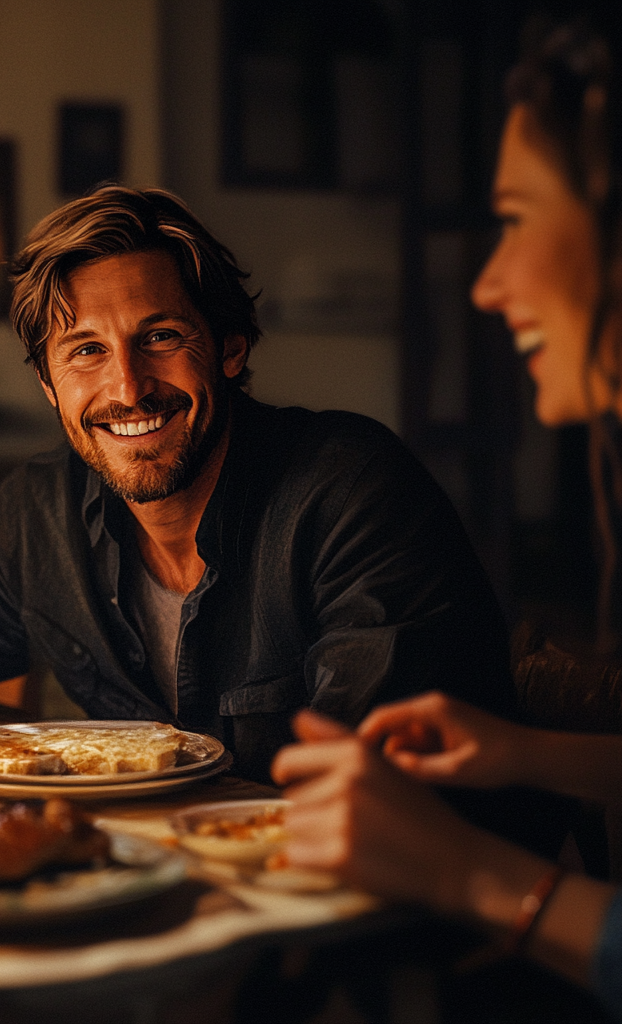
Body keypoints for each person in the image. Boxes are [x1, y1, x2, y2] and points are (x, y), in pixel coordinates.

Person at [0, 183, 566, 850]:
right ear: (49, 386)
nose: (127, 387)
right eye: (85, 350)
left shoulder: (350, 490)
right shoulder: (33, 513)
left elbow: (366, 789)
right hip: (181, 884)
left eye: (161, 336)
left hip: (405, 919)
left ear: (230, 348)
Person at [272, 17, 622, 1020]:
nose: (485, 281)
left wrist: (461, 870)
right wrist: (525, 751)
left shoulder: (346, 477)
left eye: (515, 218)